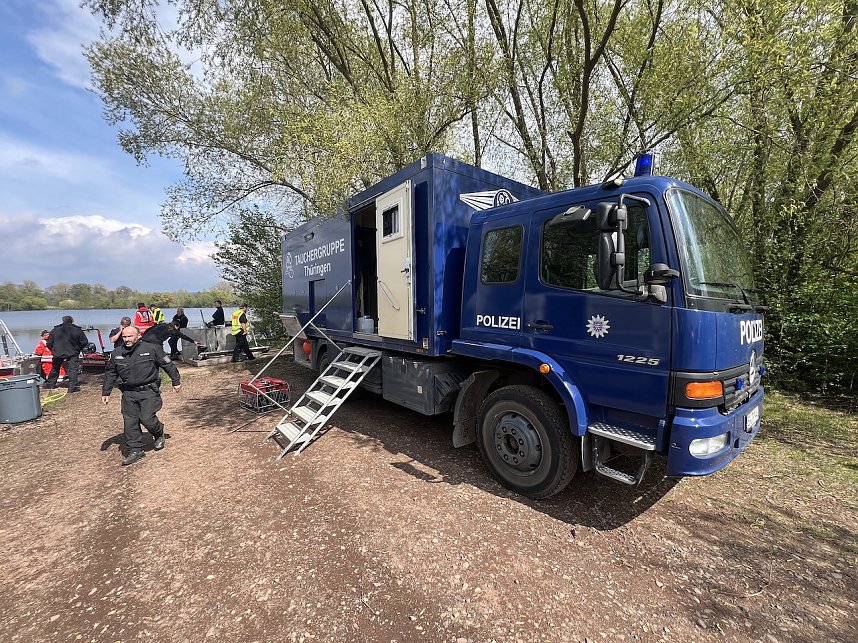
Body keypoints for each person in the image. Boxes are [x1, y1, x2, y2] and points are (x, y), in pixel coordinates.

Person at [101, 326, 181, 466]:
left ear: (138, 336)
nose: (127, 339)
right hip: (128, 392)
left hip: (149, 390)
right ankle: (136, 449)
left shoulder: (151, 348)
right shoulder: (117, 352)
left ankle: (158, 432)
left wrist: (176, 381)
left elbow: (167, 364)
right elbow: (111, 373)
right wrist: (106, 392)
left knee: (147, 419)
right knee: (130, 421)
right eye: (124, 337)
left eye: (130, 336)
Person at [45, 315, 89, 392]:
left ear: (63, 321)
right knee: (73, 369)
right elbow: (84, 342)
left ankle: (50, 384)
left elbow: (49, 343)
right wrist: (78, 349)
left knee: (55, 368)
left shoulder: (55, 330)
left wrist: (53, 350)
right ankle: (72, 388)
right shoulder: (77, 330)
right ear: (72, 321)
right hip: (73, 351)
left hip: (58, 352)